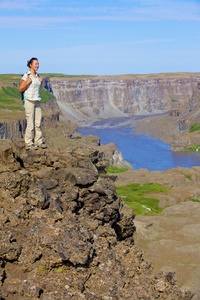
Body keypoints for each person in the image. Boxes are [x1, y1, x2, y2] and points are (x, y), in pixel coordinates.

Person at [19, 57, 47, 150]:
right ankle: (29, 143)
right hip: (29, 101)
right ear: (30, 65)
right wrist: (27, 82)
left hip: (37, 101)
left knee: (38, 123)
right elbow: (20, 89)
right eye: (35, 64)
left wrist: (41, 83)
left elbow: (37, 88)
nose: (37, 66)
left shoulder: (38, 76)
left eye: (38, 64)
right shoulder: (26, 75)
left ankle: (38, 141)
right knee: (30, 124)